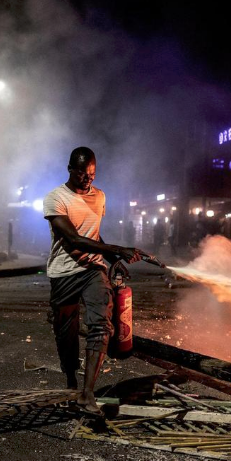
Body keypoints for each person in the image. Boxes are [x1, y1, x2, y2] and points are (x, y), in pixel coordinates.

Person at [43, 146, 146, 415]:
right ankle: (70, 380)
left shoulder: (99, 196)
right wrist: (117, 249)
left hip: (92, 270)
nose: (88, 178)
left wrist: (113, 261)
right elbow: (74, 239)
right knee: (65, 334)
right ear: (69, 169)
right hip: (63, 272)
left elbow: (93, 235)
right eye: (82, 173)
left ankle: (87, 393)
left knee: (101, 324)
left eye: (92, 173)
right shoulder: (56, 198)